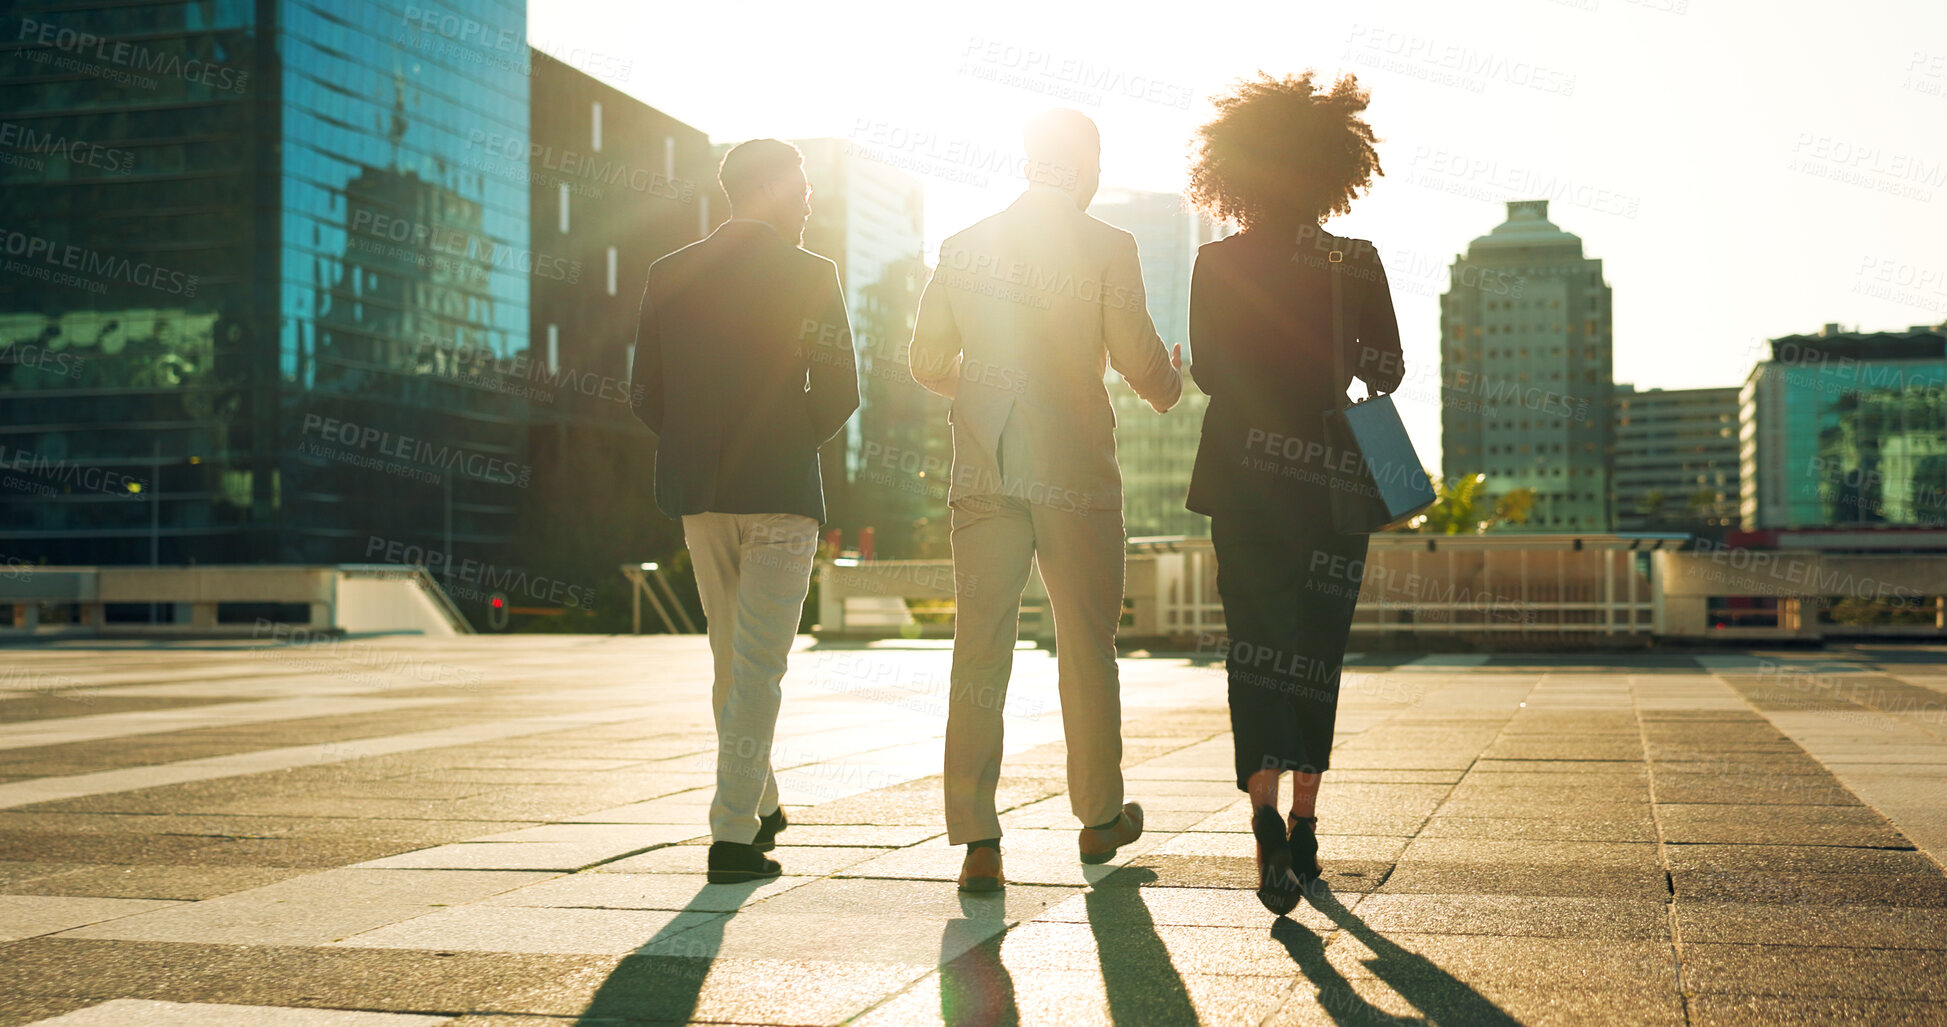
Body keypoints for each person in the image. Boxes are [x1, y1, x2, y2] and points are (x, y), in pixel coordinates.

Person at [909, 109, 1183, 893]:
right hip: (1073, 468)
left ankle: (978, 842)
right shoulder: (1106, 245)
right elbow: (1134, 353)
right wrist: (1169, 383)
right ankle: (1098, 818)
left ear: (1028, 159)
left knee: (979, 649)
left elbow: (925, 358)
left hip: (985, 465)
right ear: (1087, 163)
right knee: (1084, 644)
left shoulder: (964, 246)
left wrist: (990, 390)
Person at [1182, 73, 1404, 915]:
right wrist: (1330, 369)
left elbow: (1208, 370)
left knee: (1255, 649)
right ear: (1328, 168)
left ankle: (1264, 825)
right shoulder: (1355, 261)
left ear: (1234, 169)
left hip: (1242, 477)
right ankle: (1307, 831)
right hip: (1328, 478)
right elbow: (1385, 370)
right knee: (1316, 651)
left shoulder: (1213, 261)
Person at [631, 138, 859, 884]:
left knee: (732, 658)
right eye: (800, 188)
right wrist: (787, 441)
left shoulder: (669, 272)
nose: (808, 200)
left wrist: (701, 442)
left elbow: (646, 392)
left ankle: (759, 803)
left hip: (700, 492)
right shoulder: (811, 275)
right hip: (780, 491)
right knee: (755, 663)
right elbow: (840, 390)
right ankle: (732, 837)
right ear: (767, 188)